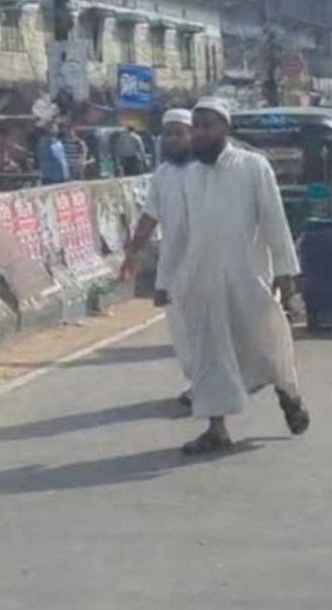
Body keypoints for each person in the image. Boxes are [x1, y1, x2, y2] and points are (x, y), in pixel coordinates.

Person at [155, 97, 310, 454]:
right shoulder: (191, 177)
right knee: (209, 354)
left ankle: (288, 393)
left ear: (225, 128)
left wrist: (286, 273)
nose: (200, 134)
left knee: (267, 344)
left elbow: (274, 220)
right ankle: (216, 428)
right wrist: (163, 281)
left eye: (207, 127)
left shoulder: (253, 167)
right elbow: (179, 233)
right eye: (196, 128)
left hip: (248, 278)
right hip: (203, 282)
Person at [120, 109, 196, 408]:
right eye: (168, 134)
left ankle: (212, 386)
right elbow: (148, 219)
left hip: (210, 261)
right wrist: (132, 255)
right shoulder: (163, 175)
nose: (173, 139)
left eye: (179, 133)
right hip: (175, 265)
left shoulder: (208, 170)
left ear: (192, 135)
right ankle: (196, 384)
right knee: (181, 332)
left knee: (209, 329)